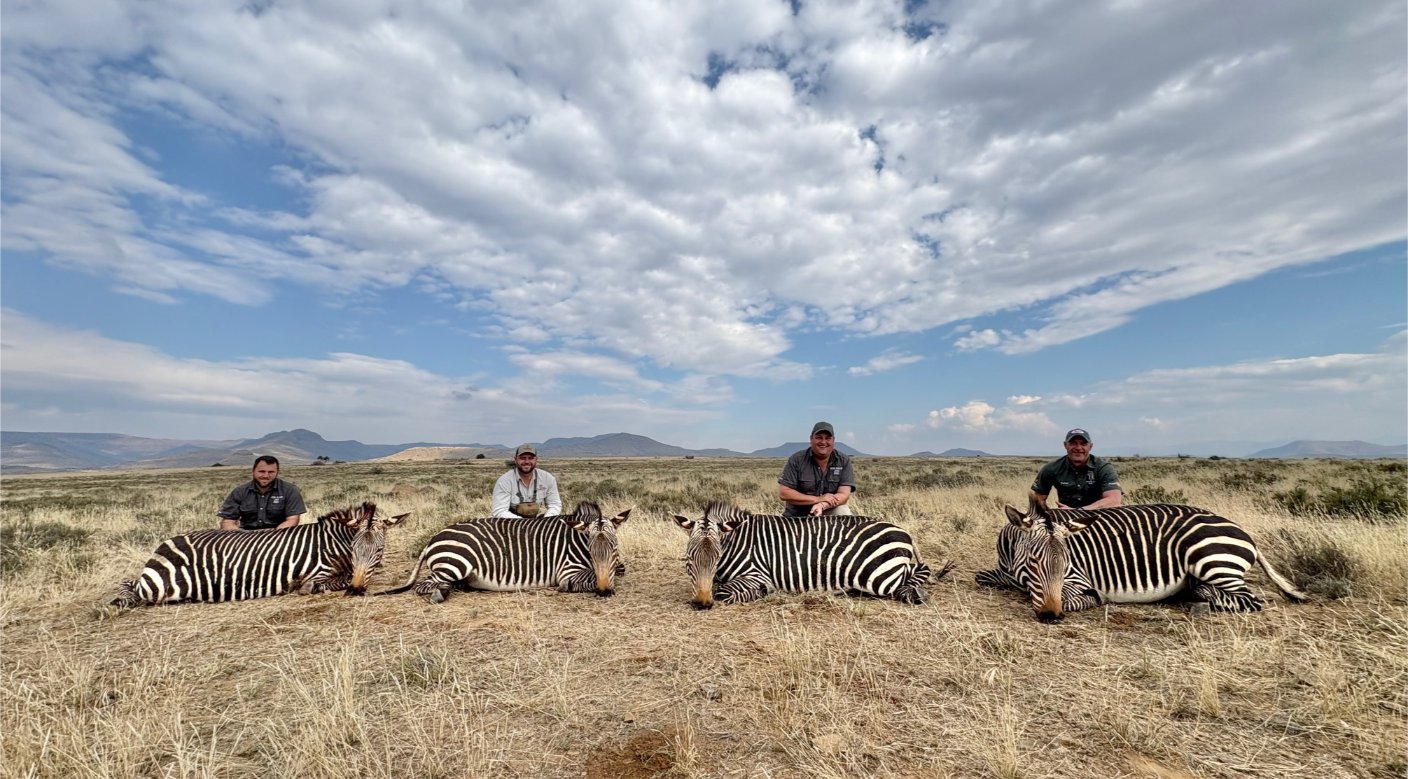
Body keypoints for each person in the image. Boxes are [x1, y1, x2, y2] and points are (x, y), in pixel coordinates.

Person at [1030, 428, 1123, 510]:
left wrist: (1079, 511)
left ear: (1090, 446)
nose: (1078, 448)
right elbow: (1037, 500)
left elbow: (1114, 500)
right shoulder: (1051, 468)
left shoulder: (1103, 468)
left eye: (1083, 444)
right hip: (1066, 518)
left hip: (1098, 517)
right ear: (1065, 445)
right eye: (1073, 443)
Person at [778, 421, 856, 517]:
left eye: (828, 438)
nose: (823, 442)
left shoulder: (843, 460)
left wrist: (822, 505)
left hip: (828, 510)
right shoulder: (796, 459)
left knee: (842, 511)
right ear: (811, 439)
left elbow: (844, 495)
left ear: (833, 440)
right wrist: (818, 499)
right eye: (819, 437)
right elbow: (784, 493)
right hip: (797, 515)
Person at [217, 455, 307, 530]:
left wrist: (272, 536)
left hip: (278, 536)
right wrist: (240, 535)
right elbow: (227, 522)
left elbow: (292, 520)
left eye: (271, 472)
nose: (266, 475)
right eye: (261, 471)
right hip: (246, 537)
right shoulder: (239, 492)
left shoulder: (290, 490)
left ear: (277, 472)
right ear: (253, 471)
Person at [491, 443, 563, 518]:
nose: (527, 461)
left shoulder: (548, 478)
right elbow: (499, 511)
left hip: (535, 521)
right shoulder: (504, 481)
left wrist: (546, 520)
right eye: (523, 458)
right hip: (510, 522)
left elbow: (555, 505)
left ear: (536, 459)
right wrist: (525, 523)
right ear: (515, 459)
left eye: (531, 458)